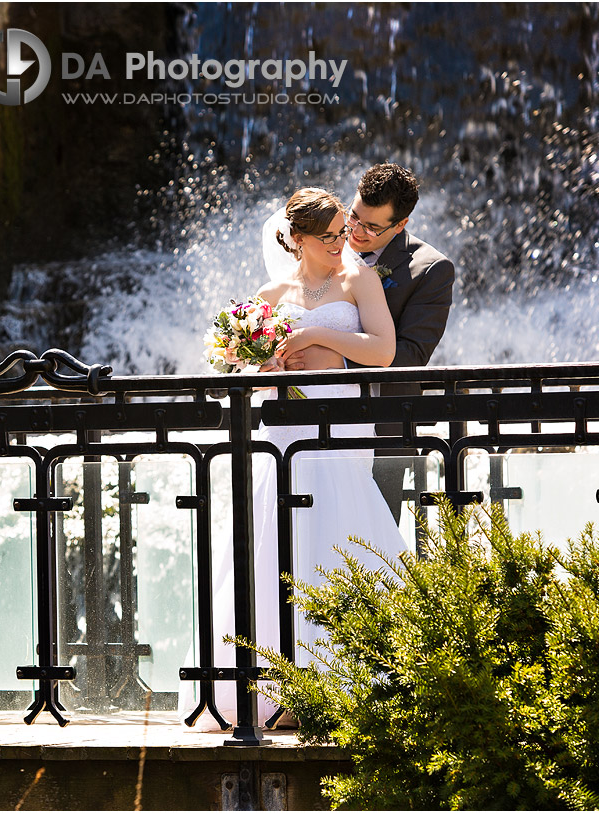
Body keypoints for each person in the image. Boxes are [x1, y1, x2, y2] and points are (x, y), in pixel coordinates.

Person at [181, 188, 410, 731]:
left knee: (336, 532)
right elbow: (243, 366)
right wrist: (260, 368)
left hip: (336, 424)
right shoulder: (271, 290)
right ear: (298, 240)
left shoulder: (360, 280)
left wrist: (312, 333)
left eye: (342, 232)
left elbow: (382, 351)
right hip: (283, 427)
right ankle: (275, 688)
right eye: (329, 236)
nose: (342, 242)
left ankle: (345, 681)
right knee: (275, 541)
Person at [283, 164, 456, 521]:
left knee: (369, 546)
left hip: (383, 428)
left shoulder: (430, 269)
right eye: (354, 217)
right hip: (300, 422)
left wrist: (328, 355)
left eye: (371, 227)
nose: (355, 232)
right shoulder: (324, 240)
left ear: (401, 225)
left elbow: (411, 356)